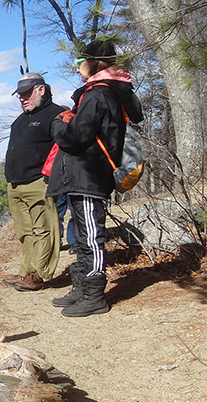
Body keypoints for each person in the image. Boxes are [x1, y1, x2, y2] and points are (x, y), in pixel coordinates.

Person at [48, 40, 143, 317]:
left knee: (90, 236)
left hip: (89, 175)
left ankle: (95, 294)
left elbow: (75, 136)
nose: (78, 69)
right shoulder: (97, 93)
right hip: (82, 176)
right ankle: (81, 287)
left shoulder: (99, 94)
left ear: (94, 63)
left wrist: (58, 123)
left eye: (80, 63)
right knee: (81, 236)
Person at [1, 72, 66, 292]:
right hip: (15, 185)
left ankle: (38, 275)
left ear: (41, 90)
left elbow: (65, 150)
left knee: (44, 229)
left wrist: (52, 178)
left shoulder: (58, 114)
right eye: (19, 95)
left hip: (39, 183)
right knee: (25, 232)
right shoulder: (20, 120)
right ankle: (26, 271)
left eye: (27, 93)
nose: (22, 98)